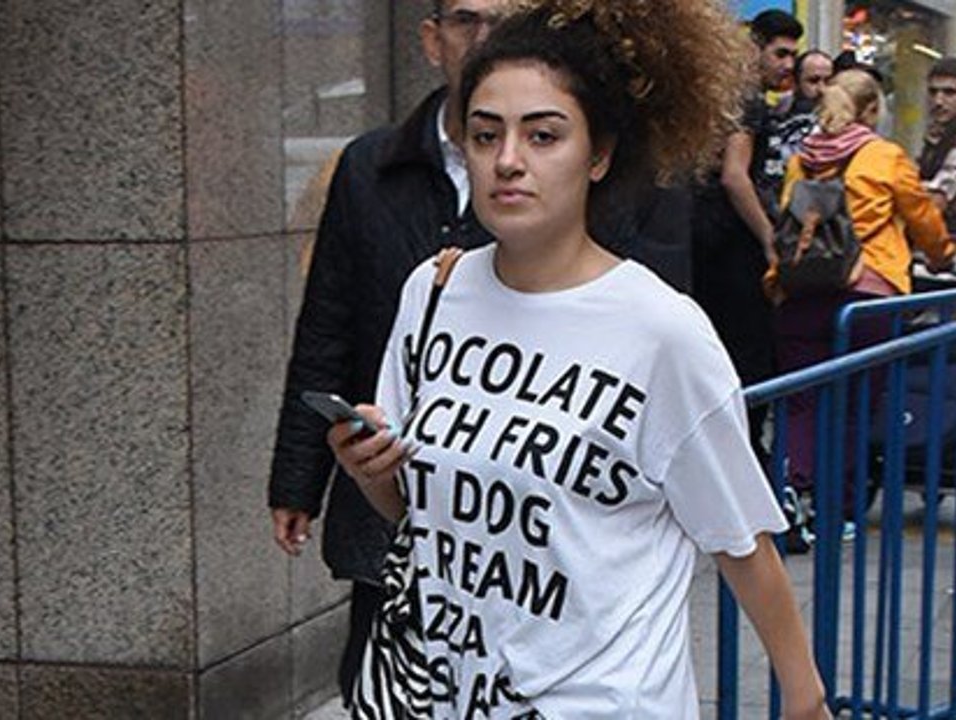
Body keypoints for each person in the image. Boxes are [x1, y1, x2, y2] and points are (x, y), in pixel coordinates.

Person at [327, 2, 831, 717]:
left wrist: (806, 700)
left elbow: (742, 542)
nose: (508, 160)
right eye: (485, 134)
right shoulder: (432, 293)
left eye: (544, 135)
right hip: (453, 696)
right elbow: (424, 512)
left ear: (598, 155)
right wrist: (371, 470)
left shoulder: (661, 331)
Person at [268, 0, 505, 707]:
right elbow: (328, 323)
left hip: (507, 508)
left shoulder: (559, 168)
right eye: (466, 19)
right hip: (385, 489)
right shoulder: (368, 166)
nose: (484, 38)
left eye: (504, 20)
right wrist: (297, 480)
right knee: (377, 686)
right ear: (432, 40)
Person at [769, 69, 954, 548]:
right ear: (871, 110)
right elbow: (924, 221)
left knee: (800, 403)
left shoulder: (802, 159)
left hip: (800, 294)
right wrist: (942, 255)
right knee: (856, 408)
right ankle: (839, 511)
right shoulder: (884, 156)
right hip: (867, 297)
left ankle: (789, 486)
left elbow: (787, 219)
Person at [692, 9, 803, 460]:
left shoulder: (716, 94)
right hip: (731, 246)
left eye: (792, 55)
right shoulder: (747, 100)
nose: (788, 65)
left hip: (702, 241)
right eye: (780, 54)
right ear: (755, 49)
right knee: (747, 357)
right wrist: (768, 239)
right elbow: (735, 176)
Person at [919, 57, 956, 227]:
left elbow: (937, 200)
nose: (938, 101)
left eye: (949, 93)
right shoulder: (938, 134)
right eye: (933, 92)